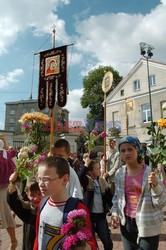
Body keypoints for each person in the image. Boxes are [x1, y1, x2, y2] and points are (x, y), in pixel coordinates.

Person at [111, 136, 166, 250]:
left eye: (130, 149)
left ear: (138, 150)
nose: (126, 153)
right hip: (126, 224)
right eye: (123, 150)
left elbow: (160, 203)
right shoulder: (119, 174)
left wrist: (155, 186)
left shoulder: (150, 173)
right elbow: (117, 198)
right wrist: (115, 214)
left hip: (147, 223)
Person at [33, 156, 96, 250]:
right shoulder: (43, 203)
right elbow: (38, 237)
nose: (41, 184)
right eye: (39, 179)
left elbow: (90, 242)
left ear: (65, 179)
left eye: (46, 179)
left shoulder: (77, 209)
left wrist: (84, 246)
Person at [78, 157, 113, 250]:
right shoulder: (87, 181)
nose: (100, 170)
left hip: (101, 215)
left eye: (99, 168)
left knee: (106, 238)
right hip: (89, 216)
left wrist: (114, 209)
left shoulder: (102, 181)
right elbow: (80, 176)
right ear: (90, 172)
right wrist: (86, 165)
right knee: (91, 238)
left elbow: (109, 197)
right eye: (97, 168)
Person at [7, 173, 42, 250]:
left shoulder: (49, 209)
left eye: (40, 194)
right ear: (27, 194)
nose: (36, 198)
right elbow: (13, 201)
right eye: (32, 195)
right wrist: (12, 182)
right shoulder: (27, 210)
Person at [0, 138, 17, 250]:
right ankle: (13, 241)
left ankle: (13, 240)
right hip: (4, 188)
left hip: (2, 190)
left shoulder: (5, 155)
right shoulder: (8, 155)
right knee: (6, 216)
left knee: (5, 216)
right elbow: (16, 170)